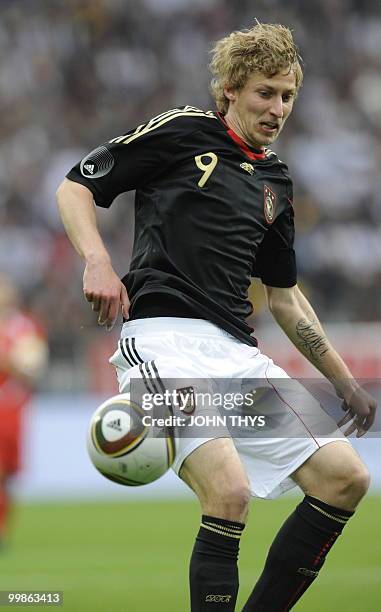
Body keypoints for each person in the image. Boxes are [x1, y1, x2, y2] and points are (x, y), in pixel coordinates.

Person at [56, 22, 376, 611]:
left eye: (286, 96)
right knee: (228, 493)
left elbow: (284, 297)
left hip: (237, 353)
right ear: (230, 88)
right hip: (163, 343)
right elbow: (77, 186)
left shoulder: (276, 181)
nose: (277, 108)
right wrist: (97, 263)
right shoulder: (183, 131)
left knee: (346, 479)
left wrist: (342, 380)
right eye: (264, 93)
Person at [0, 274, 48, 547]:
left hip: (12, 408)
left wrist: (10, 363)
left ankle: (3, 529)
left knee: (6, 476)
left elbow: (34, 367)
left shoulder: (26, 327)